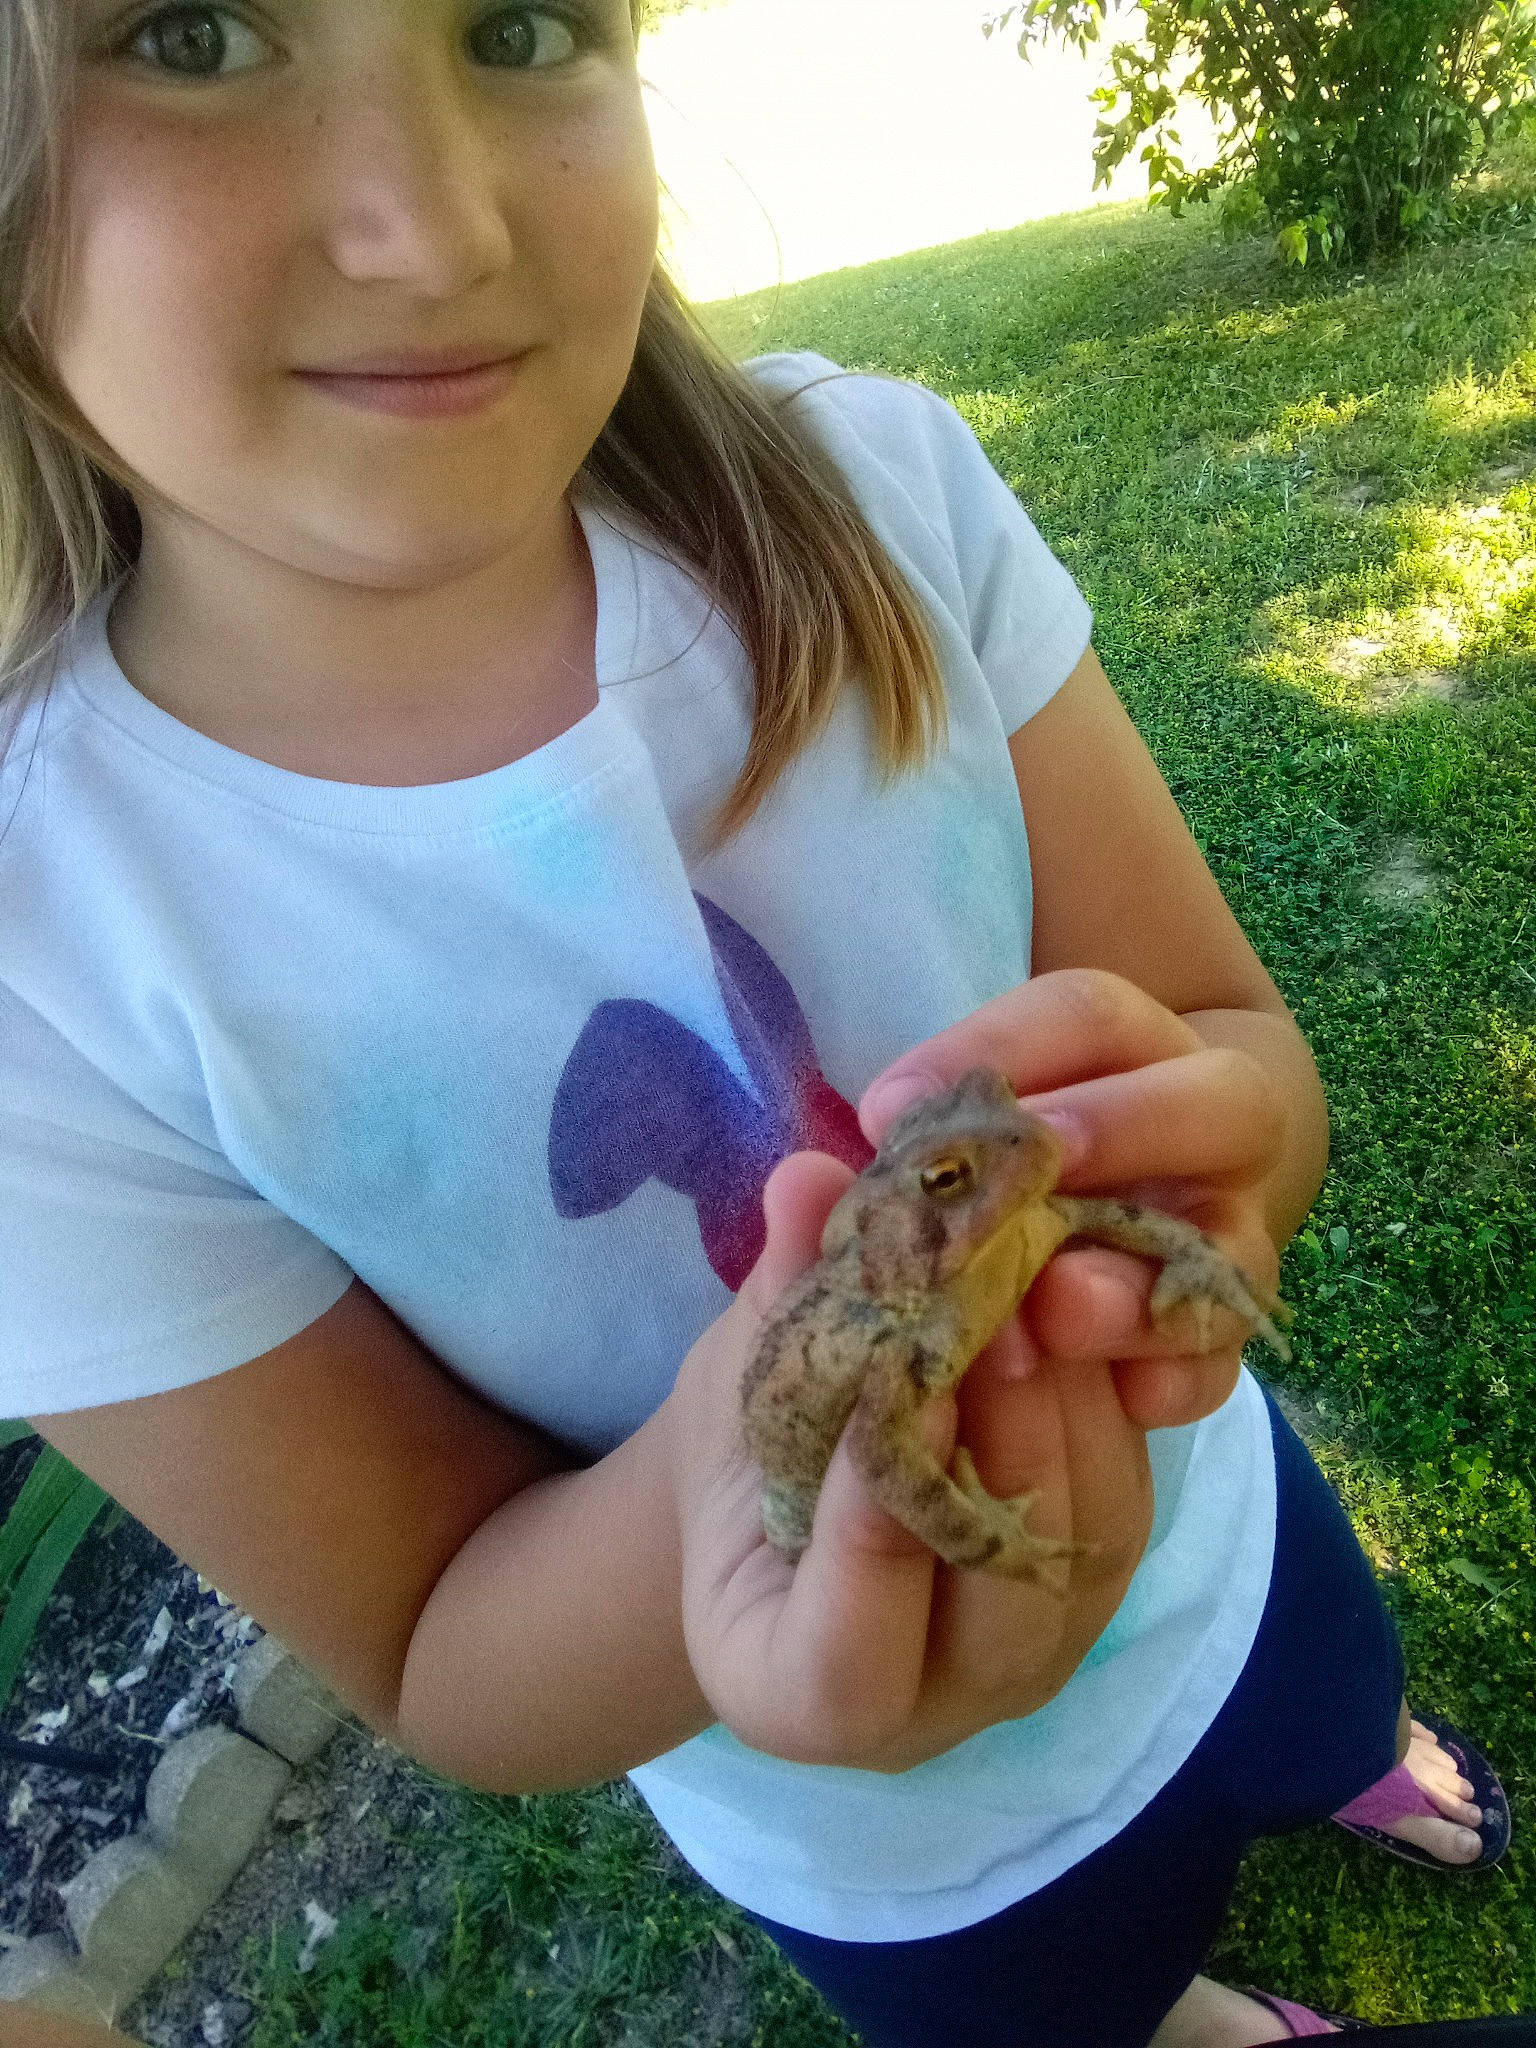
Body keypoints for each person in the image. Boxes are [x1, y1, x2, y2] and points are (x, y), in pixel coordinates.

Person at [0, 5, 1505, 2046]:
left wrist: (1221, 1150)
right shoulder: (47, 961)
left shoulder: (875, 485)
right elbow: (438, 1638)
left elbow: (1234, 1044)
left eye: (520, 23)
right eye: (188, 31)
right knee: (1077, 2004)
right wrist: (769, 1441)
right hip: (882, 1825)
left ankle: (1350, 1752)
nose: (430, 226)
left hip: (1223, 1525)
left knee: (1324, 1680)